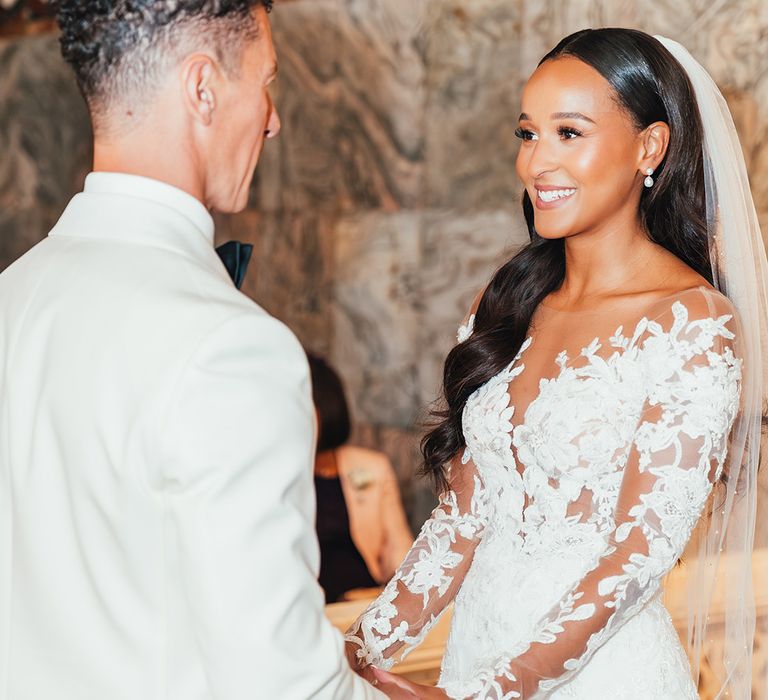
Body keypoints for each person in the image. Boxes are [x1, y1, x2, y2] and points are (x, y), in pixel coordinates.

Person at [345, 29, 767, 699]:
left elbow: (637, 555)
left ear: (648, 147)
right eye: (527, 134)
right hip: (471, 662)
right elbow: (460, 524)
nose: (537, 162)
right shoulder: (507, 303)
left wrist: (497, 694)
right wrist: (352, 657)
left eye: (569, 133)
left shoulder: (691, 320)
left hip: (603, 678)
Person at [0, 2, 383, 699]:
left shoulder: (11, 296)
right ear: (202, 88)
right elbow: (282, 685)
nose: (273, 119)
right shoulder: (233, 347)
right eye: (267, 82)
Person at [308, 354, 412, 603]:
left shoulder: (372, 467)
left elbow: (398, 548)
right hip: (309, 608)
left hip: (362, 600)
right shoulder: (278, 474)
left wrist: (403, 601)